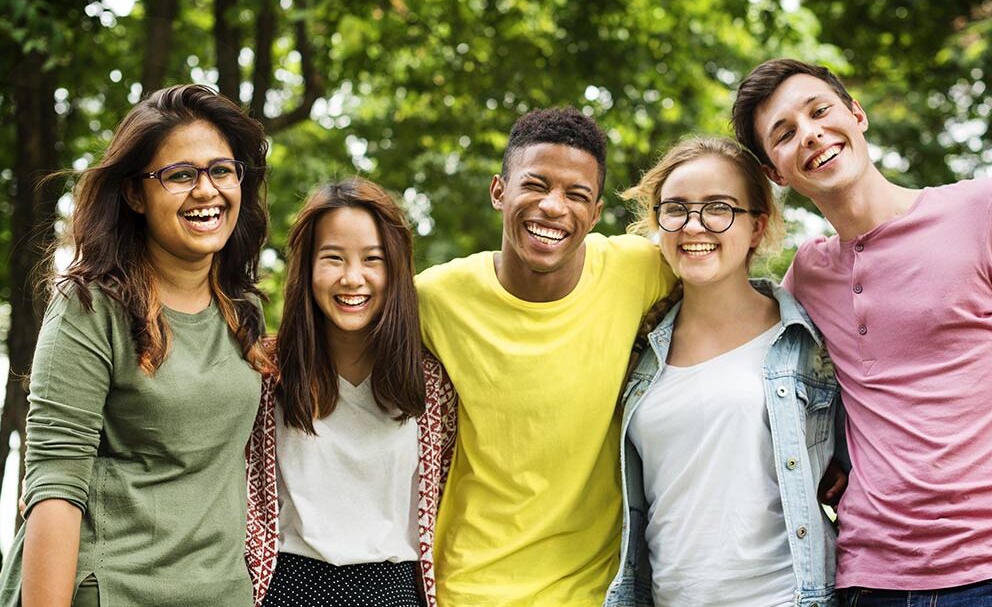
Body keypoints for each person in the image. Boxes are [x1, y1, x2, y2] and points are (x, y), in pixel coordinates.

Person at [732, 58, 992, 605]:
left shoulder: (984, 208)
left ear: (857, 114)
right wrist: (835, 462)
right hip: (867, 579)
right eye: (785, 134)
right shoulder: (806, 278)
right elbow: (788, 405)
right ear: (776, 172)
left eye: (819, 111)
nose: (810, 134)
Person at [0, 84, 274, 606]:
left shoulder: (244, 313)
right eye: (180, 175)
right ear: (134, 194)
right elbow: (55, 485)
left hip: (220, 593)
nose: (207, 190)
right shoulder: (89, 308)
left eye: (221, 170)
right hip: (110, 590)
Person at [415, 107, 676, 605]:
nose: (554, 207)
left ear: (596, 214)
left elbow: (732, 293)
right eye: (535, 185)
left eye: (576, 195)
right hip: (469, 586)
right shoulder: (435, 297)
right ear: (499, 192)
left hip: (595, 590)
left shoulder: (638, 268)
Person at [605, 136, 842, 607]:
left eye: (718, 208)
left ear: (757, 226)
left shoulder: (807, 342)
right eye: (675, 209)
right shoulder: (639, 351)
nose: (694, 225)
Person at [258, 179, 454, 607]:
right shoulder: (266, 373)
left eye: (372, 260)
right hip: (290, 585)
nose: (352, 278)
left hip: (395, 590)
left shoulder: (432, 384)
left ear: (397, 269)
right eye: (333, 258)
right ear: (307, 268)